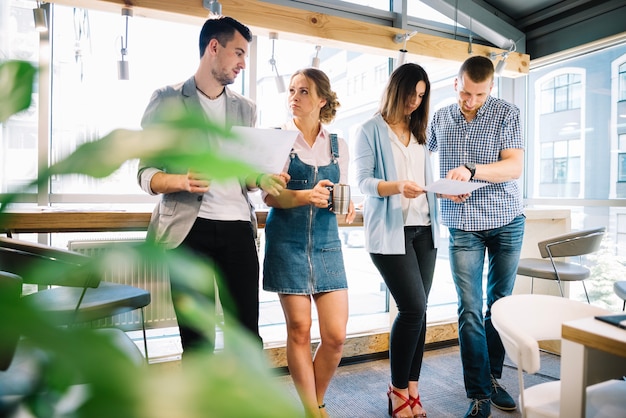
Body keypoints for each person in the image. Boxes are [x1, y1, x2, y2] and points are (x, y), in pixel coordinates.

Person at [137, 16, 287, 358]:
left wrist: (262, 178)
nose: (242, 64)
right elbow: (145, 172)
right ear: (213, 47)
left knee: (246, 335)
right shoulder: (167, 99)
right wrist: (179, 180)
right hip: (188, 234)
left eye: (246, 56)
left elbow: (244, 175)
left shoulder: (245, 109)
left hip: (237, 229)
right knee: (197, 340)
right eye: (238, 53)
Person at [427, 55, 525, 418]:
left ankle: (494, 378)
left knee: (499, 305)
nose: (470, 101)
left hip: (506, 219)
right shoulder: (440, 117)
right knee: (469, 309)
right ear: (456, 83)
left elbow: (514, 166)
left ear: (491, 89)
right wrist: (439, 188)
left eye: (479, 95)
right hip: (463, 224)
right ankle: (480, 393)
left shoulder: (506, 113)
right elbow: (420, 158)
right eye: (466, 93)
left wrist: (471, 170)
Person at [262, 68, 355, 418]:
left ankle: (314, 400)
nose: (294, 97)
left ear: (321, 100)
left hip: (327, 244)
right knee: (299, 330)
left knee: (335, 337)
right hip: (287, 242)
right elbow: (270, 199)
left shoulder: (338, 145)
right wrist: (305, 196)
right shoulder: (278, 141)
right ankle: (313, 410)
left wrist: (348, 204)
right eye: (291, 90)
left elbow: (339, 193)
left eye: (303, 91)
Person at [353, 63, 439, 418]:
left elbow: (425, 179)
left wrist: (444, 193)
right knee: (413, 308)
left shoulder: (420, 131)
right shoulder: (370, 129)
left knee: (420, 312)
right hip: (390, 234)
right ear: (395, 89)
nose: (415, 102)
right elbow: (363, 183)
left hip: (425, 229)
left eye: (421, 96)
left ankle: (412, 387)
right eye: (411, 94)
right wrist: (396, 187)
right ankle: (397, 390)